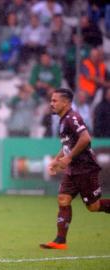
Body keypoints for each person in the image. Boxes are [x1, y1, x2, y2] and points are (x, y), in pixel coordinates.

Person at [40, 88, 110, 250]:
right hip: (72, 170)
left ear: (66, 103)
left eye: (55, 101)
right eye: (51, 100)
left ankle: (60, 240)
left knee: (93, 206)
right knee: (63, 200)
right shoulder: (63, 120)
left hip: (85, 168)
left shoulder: (73, 118)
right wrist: (56, 160)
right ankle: (60, 241)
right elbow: (67, 144)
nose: (51, 104)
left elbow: (85, 138)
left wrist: (69, 157)